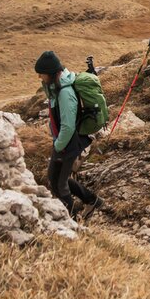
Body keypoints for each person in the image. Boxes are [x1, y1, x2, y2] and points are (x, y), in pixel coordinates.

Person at [35, 50, 103, 219]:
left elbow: (68, 126)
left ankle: (70, 219)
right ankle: (92, 200)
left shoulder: (65, 93)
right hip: (63, 141)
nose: (39, 78)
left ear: (51, 74)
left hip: (69, 142)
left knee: (60, 184)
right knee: (54, 177)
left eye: (41, 74)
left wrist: (58, 146)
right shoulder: (56, 87)